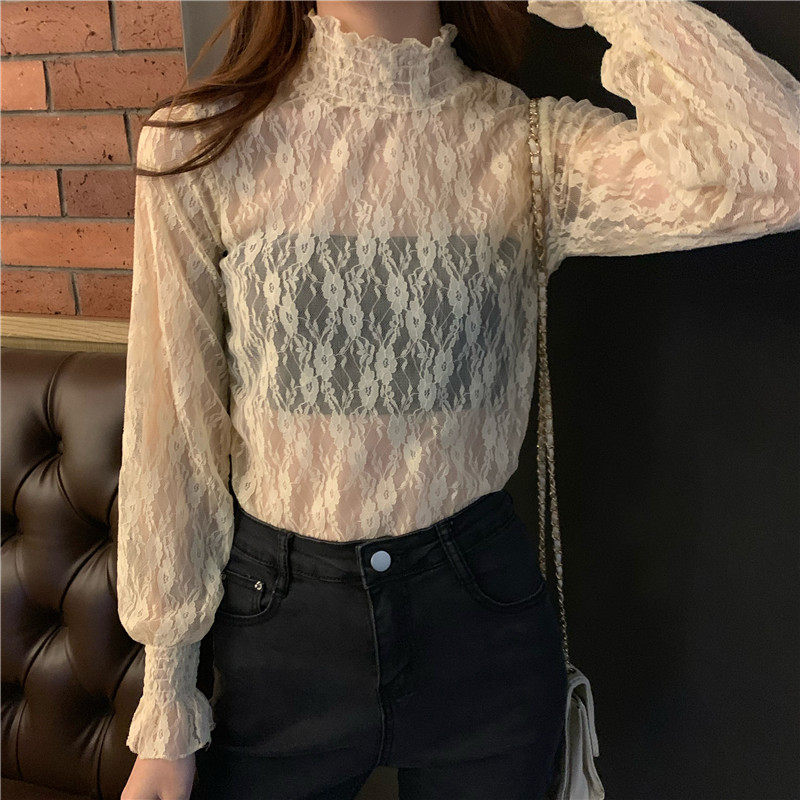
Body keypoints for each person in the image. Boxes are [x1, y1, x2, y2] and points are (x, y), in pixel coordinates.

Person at [118, 2, 800, 799]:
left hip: (480, 627)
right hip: (278, 636)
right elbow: (174, 427)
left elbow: (781, 163)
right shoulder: (201, 145)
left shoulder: (526, 145)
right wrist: (166, 699)